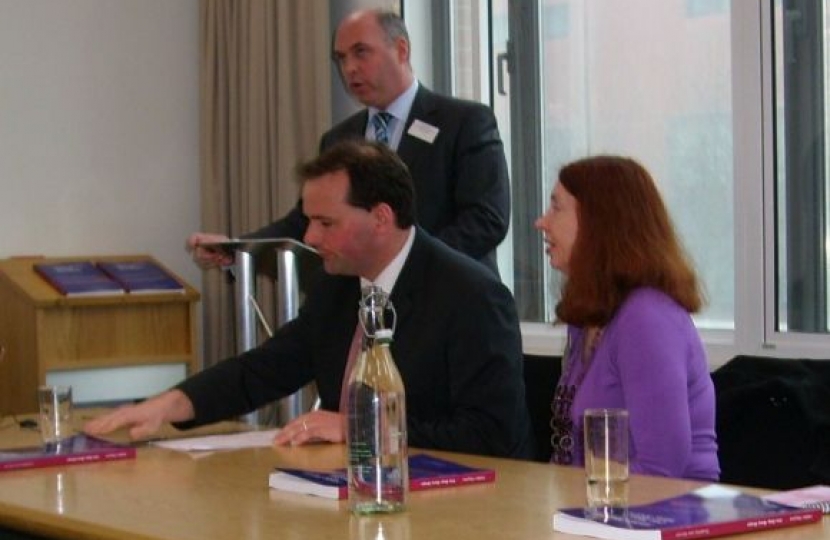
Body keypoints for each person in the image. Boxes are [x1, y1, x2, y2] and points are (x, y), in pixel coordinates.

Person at [86, 139, 534, 460]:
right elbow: (266, 368)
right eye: (308, 221)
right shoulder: (336, 286)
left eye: (325, 222)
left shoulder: (471, 295)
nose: (309, 237)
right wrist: (169, 404)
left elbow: (491, 435)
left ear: (381, 218)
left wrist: (359, 428)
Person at [188, 9, 510, 276]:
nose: (350, 68)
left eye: (361, 52)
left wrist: (406, 265)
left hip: (448, 305)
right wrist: (237, 249)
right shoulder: (339, 139)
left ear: (401, 50)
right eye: (341, 58)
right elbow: (304, 223)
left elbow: (485, 220)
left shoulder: (463, 122)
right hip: (362, 311)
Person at [534, 155, 719, 480]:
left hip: (664, 517)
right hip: (597, 510)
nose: (541, 222)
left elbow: (661, 470)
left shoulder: (646, 319)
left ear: (598, 222)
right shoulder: (588, 315)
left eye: (556, 208)